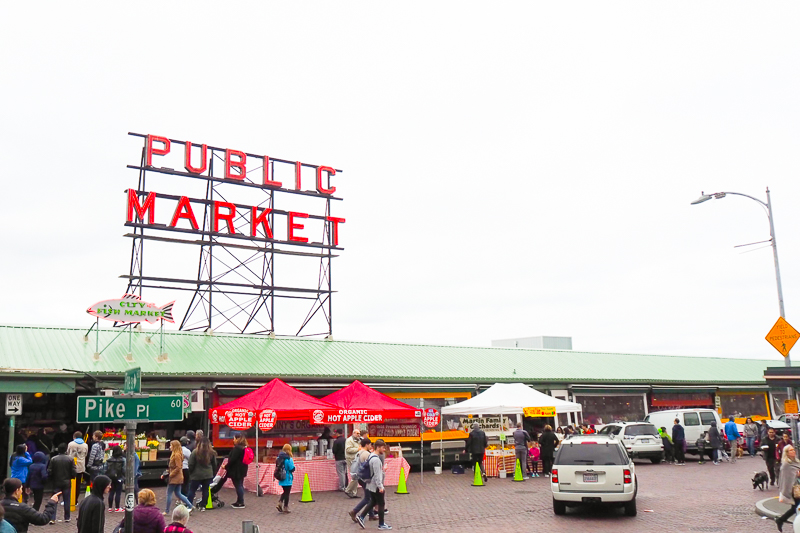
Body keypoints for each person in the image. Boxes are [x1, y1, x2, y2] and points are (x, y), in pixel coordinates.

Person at [355, 439, 390, 530]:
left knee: (373, 502)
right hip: (376, 485)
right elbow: (377, 475)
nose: (384, 450)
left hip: (371, 484)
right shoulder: (376, 460)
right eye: (383, 448)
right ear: (378, 447)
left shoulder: (371, 456)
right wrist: (380, 487)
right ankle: (381, 524)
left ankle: (361, 516)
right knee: (381, 504)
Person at [48, 443, 76, 523]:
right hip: (67, 482)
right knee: (67, 499)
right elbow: (74, 471)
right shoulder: (70, 459)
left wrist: (51, 478)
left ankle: (52, 518)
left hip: (56, 481)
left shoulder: (54, 459)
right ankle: (67, 517)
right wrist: (72, 477)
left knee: (55, 499)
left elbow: (50, 470)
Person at [774, 445, 800, 532]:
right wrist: (797, 475)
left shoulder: (796, 462)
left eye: (793, 450)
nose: (793, 451)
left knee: (795, 508)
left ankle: (781, 520)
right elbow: (787, 479)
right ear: (787, 453)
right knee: (797, 507)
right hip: (795, 489)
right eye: (791, 450)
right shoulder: (786, 465)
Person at [187, 438, 216, 509]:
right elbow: (214, 464)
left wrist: (191, 472)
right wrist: (212, 472)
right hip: (207, 474)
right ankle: (203, 505)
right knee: (205, 490)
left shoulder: (195, 452)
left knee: (192, 490)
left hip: (196, 475)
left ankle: (189, 505)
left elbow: (191, 464)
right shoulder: (211, 452)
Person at [165, 440, 193, 514]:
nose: (170, 447)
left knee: (169, 493)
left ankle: (167, 510)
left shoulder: (176, 455)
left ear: (174, 446)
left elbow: (178, 467)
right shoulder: (177, 454)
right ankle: (190, 505)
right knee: (178, 493)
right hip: (178, 477)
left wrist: (171, 474)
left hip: (175, 477)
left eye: (171, 445)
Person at [225, 434, 248, 509]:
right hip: (243, 468)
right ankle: (239, 501)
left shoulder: (237, 449)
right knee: (240, 484)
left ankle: (241, 502)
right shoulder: (244, 447)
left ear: (237, 439)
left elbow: (232, 459)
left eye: (234, 438)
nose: (233, 440)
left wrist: (226, 466)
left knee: (238, 485)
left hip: (236, 470)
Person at [66, 432, 89, 501]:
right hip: (80, 466)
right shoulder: (85, 445)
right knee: (78, 484)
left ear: (74, 437)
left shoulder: (71, 444)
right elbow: (86, 454)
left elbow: (68, 453)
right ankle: (76, 500)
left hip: (71, 466)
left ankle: (70, 499)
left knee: (70, 483)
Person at [276, 444, 295, 514]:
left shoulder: (279, 457)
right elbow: (291, 468)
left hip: (281, 477)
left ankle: (280, 503)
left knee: (285, 491)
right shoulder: (289, 458)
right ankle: (285, 506)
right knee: (287, 493)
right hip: (287, 477)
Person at [105, 446, 125, 512]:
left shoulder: (109, 459)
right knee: (118, 493)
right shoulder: (123, 460)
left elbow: (105, 469)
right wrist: (123, 477)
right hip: (119, 478)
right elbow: (124, 470)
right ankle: (117, 507)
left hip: (110, 478)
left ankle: (110, 507)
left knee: (111, 492)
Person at [344, 428, 362, 498]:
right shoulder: (349, 440)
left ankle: (353, 493)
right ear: (353, 433)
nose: (358, 435)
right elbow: (348, 450)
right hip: (351, 459)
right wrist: (358, 449)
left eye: (359, 433)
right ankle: (348, 490)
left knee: (356, 476)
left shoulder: (358, 440)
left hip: (356, 459)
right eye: (357, 433)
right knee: (355, 476)